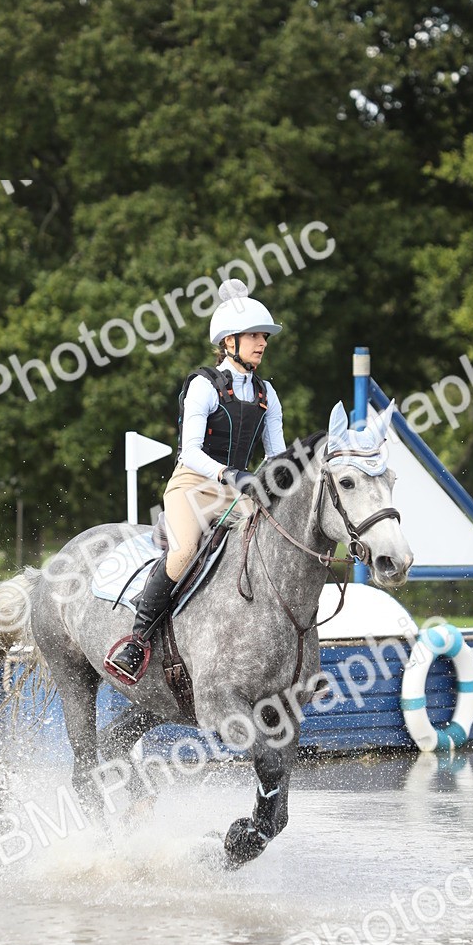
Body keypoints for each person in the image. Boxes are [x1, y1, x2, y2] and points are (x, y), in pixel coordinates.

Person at [105, 278, 285, 683]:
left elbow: (276, 456)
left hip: (239, 493)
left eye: (264, 336)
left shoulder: (267, 394)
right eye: (254, 335)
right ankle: (137, 640)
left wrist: (278, 480)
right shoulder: (203, 386)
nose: (262, 342)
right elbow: (189, 452)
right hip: (194, 485)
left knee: (273, 547)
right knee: (185, 551)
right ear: (229, 342)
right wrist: (232, 474)